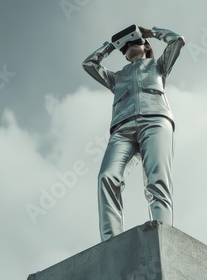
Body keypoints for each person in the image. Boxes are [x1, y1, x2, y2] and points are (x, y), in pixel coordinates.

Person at [82, 25, 185, 242]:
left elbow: (176, 41)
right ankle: (111, 243)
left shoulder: (159, 66)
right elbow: (89, 64)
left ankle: (164, 236)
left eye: (132, 42)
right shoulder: (117, 77)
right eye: (124, 47)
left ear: (145, 46)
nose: (127, 47)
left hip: (155, 121)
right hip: (122, 129)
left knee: (157, 181)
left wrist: (151, 32)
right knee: (107, 177)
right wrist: (111, 45)